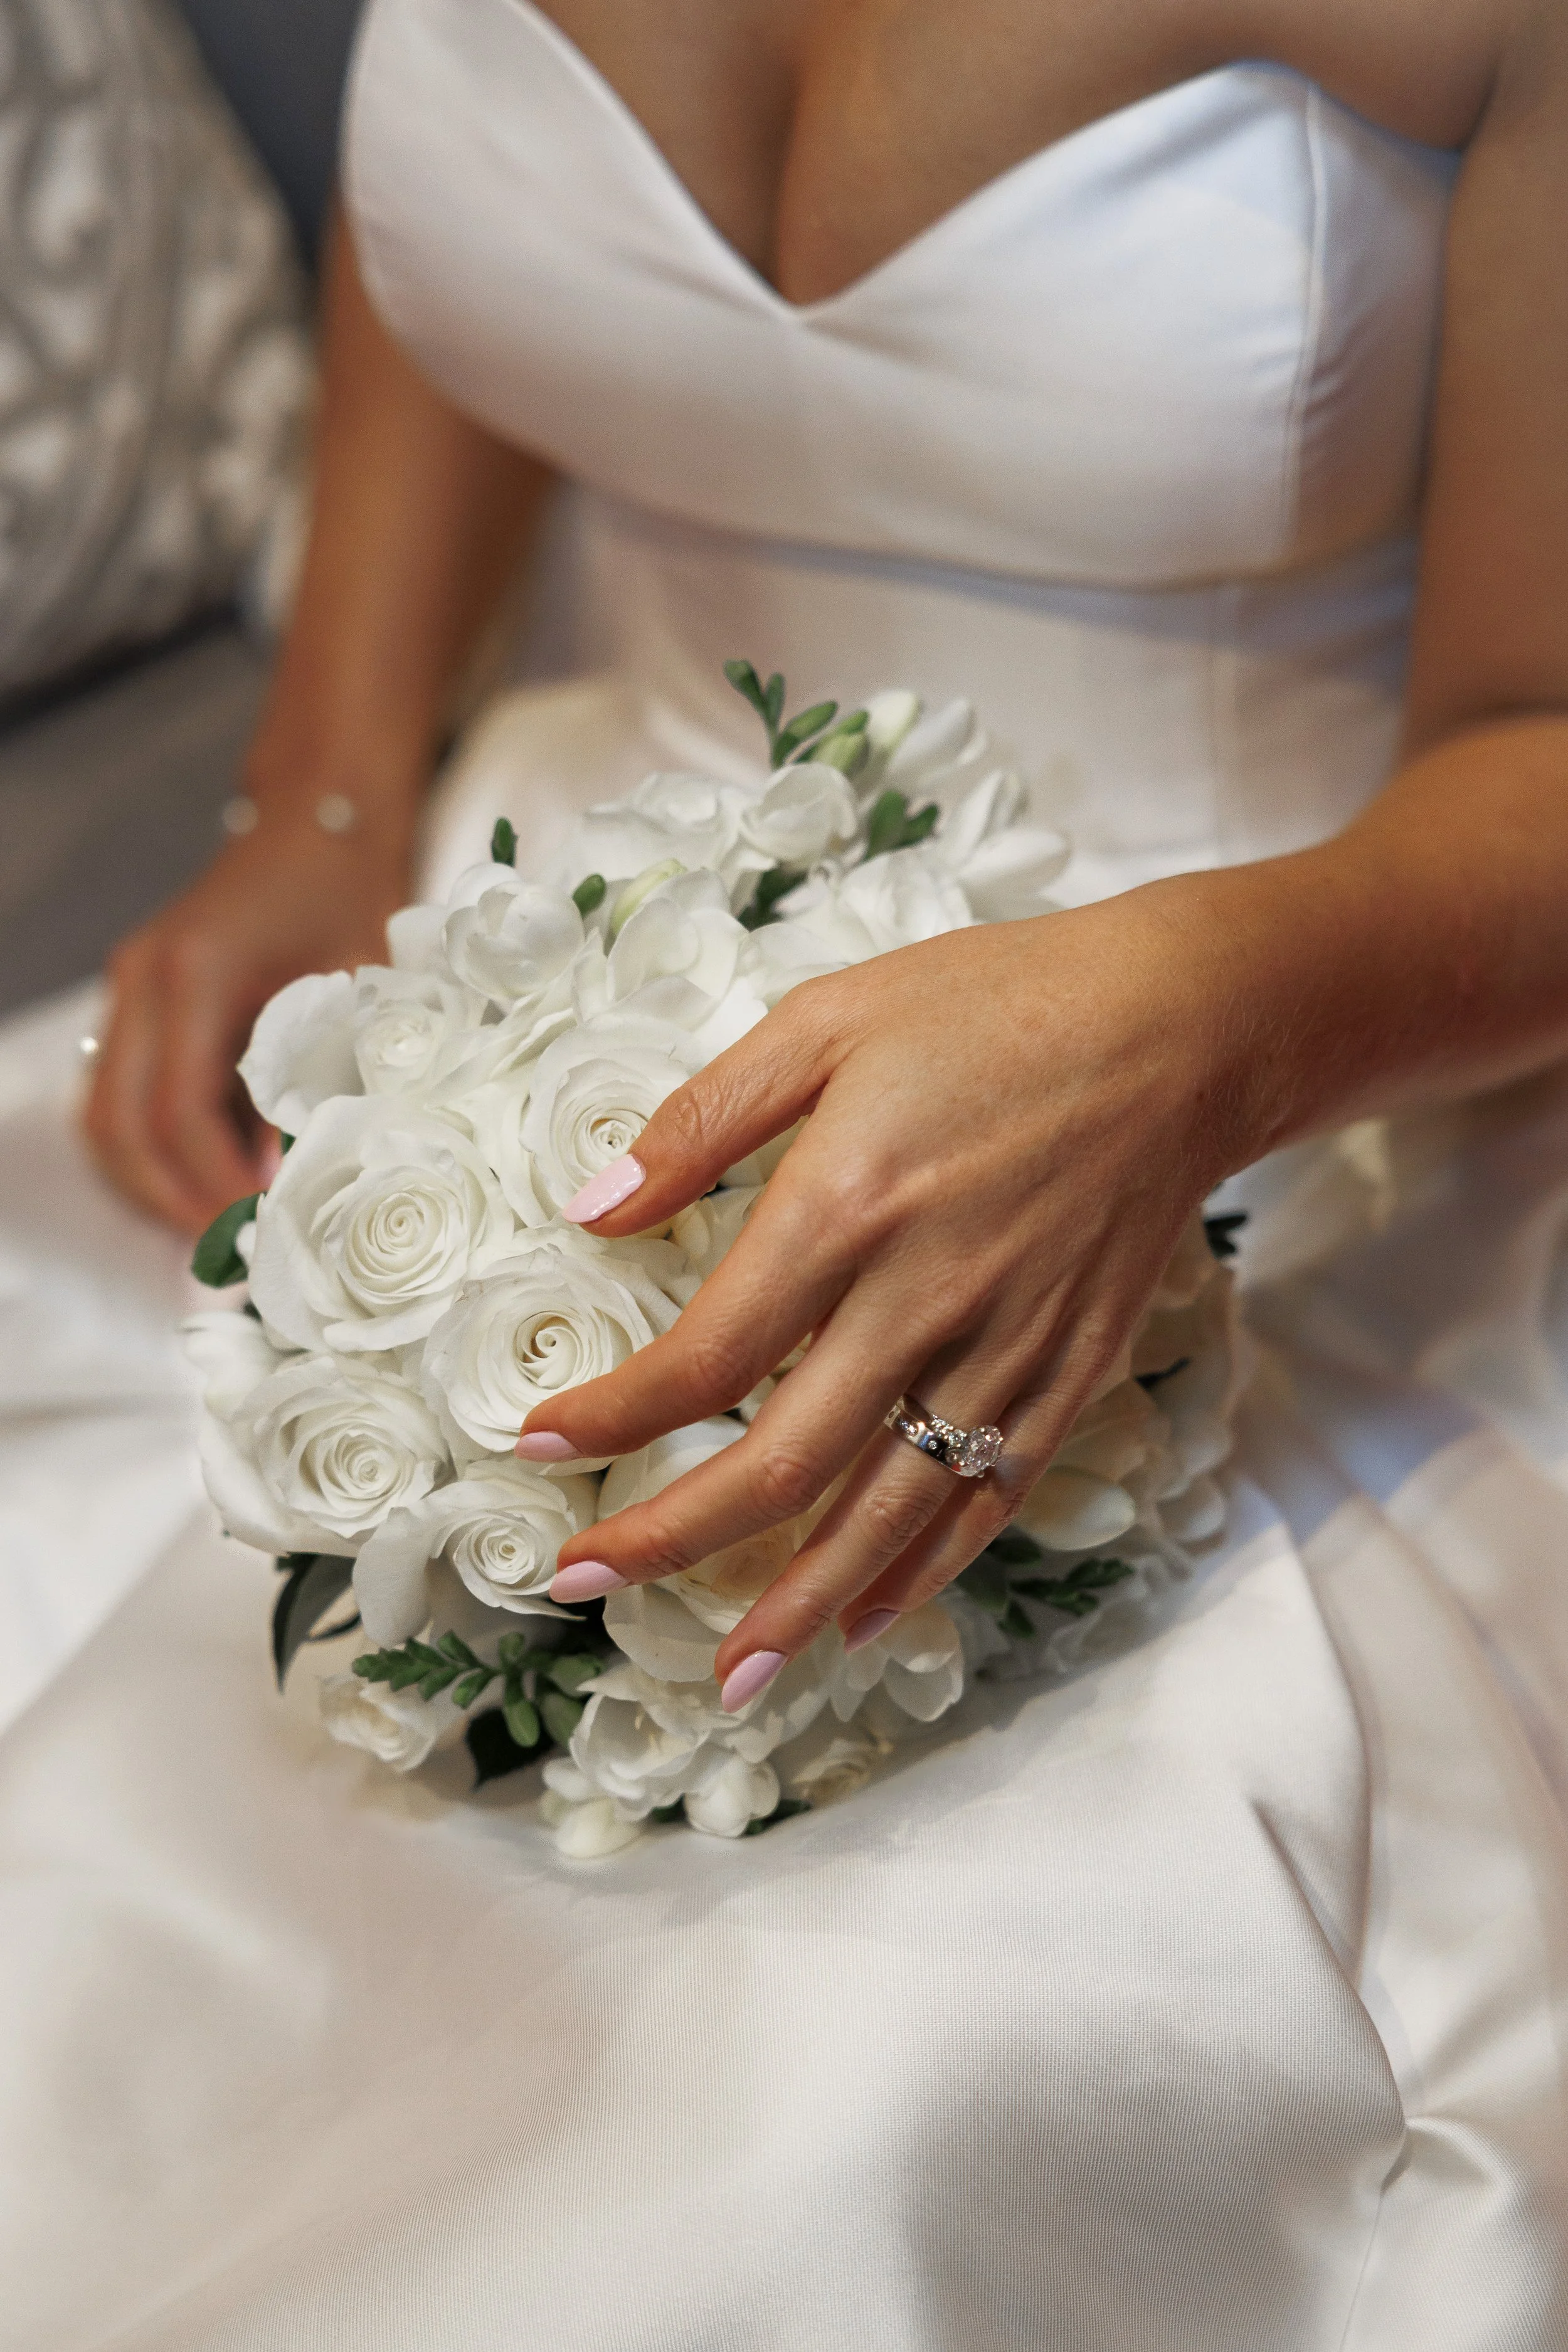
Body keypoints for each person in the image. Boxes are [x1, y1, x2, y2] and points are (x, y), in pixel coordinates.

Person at [3, 0, 1567, 2342]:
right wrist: (322, 792)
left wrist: (1186, 1045)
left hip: (1304, 1036)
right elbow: (447, 217)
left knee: (819, 2105)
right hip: (529, 943)